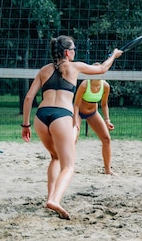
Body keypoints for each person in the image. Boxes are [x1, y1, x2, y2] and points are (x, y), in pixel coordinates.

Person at [22, 35, 123, 219]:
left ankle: (50, 196)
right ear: (67, 52)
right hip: (60, 116)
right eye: (74, 49)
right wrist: (114, 56)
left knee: (55, 157)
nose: (75, 52)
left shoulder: (44, 70)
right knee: (68, 166)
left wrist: (26, 125)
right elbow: (101, 69)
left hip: (40, 117)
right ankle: (55, 200)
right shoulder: (74, 66)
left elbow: (29, 98)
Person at [73, 67, 116, 175]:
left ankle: (107, 170)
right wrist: (74, 121)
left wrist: (107, 120)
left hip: (92, 113)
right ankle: (68, 167)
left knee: (106, 139)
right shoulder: (84, 85)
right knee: (74, 138)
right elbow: (76, 104)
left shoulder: (105, 86)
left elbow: (104, 104)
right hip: (78, 112)